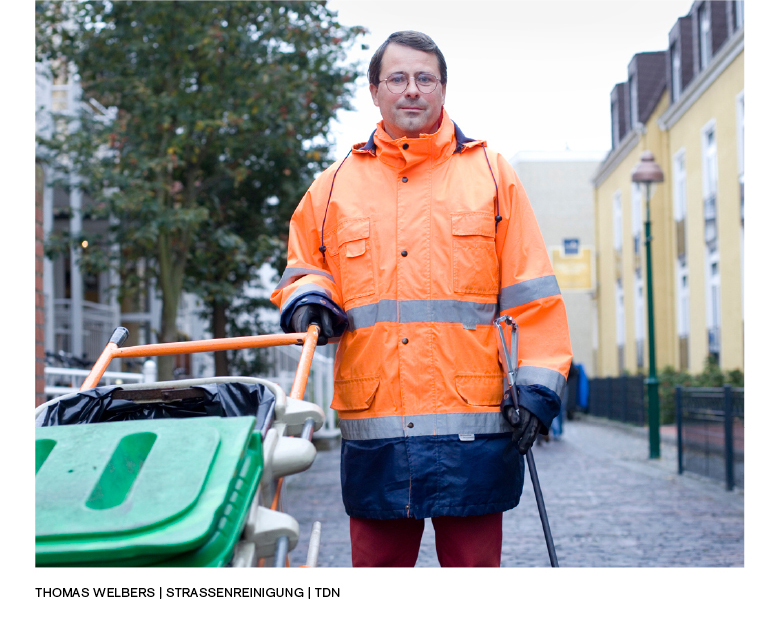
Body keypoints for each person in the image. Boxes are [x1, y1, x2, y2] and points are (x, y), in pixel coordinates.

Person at [271, 31, 572, 567]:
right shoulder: (332, 187)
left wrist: (538, 390)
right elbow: (304, 268)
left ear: (442, 88)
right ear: (374, 91)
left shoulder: (492, 175)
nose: (411, 90)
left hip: (474, 429)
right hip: (378, 432)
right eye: (398, 79)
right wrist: (312, 298)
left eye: (424, 78)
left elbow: (531, 294)